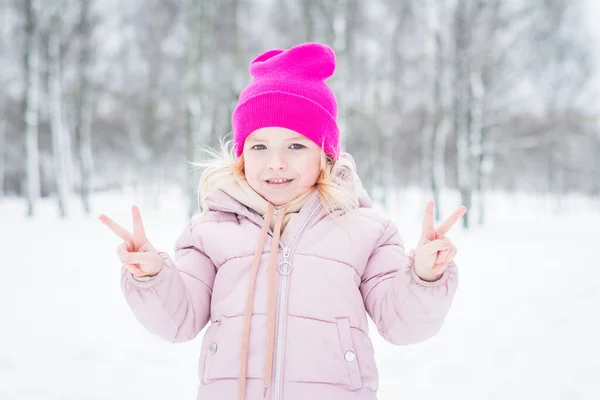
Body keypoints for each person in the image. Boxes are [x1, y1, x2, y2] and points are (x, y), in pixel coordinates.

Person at [99, 42, 467, 400]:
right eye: (259, 146)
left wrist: (424, 277)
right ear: (242, 155)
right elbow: (178, 319)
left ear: (325, 154)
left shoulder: (365, 231)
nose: (276, 162)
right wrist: (151, 276)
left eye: (295, 146)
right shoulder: (210, 231)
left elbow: (401, 324)